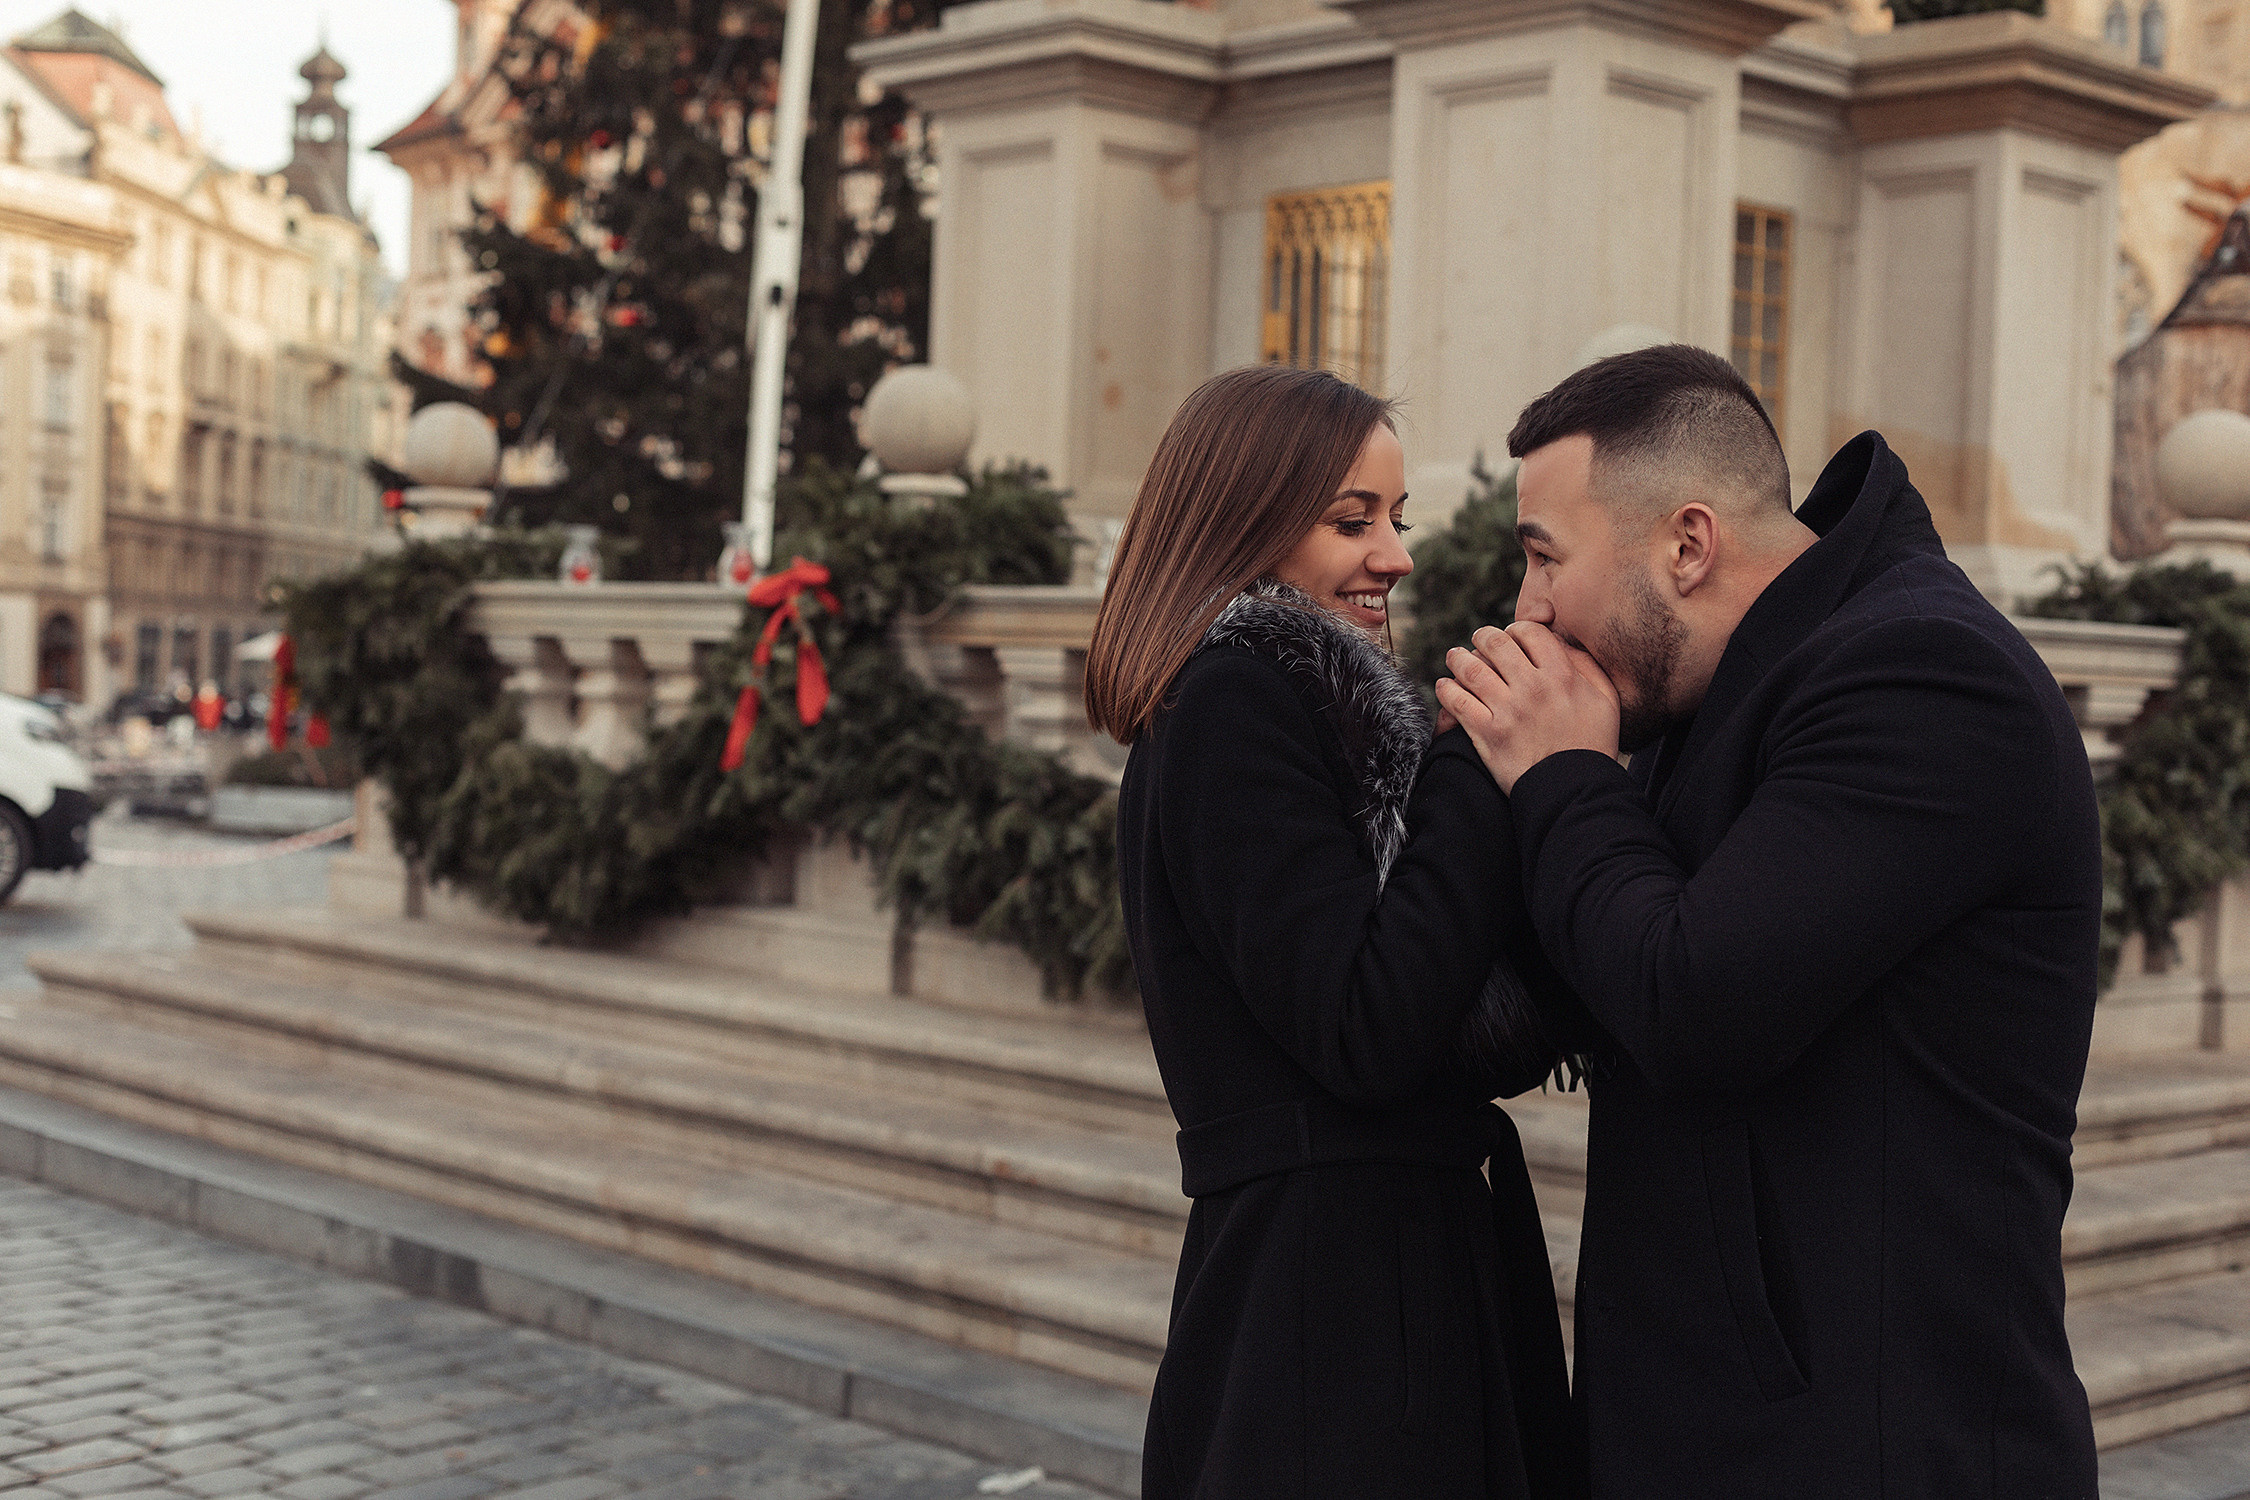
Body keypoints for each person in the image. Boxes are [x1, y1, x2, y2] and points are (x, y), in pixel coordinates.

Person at [1434, 345, 2103, 1497]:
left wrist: (1559, 778)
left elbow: (1695, 1003)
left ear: (1687, 545)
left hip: (1879, 1448)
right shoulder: (1708, 700)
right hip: (1713, 1432)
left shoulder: (1928, 675)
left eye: (1544, 558)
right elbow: (1575, 974)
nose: (1527, 606)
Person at [1086, 364, 1583, 1500]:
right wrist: (1474, 746)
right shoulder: (1231, 697)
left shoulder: (1300, 708)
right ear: (1243, 525)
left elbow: (1441, 1001)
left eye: (1395, 519)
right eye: (1350, 520)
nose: (1397, 555)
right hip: (1331, 1316)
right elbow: (1364, 1026)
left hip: (1377, 1280)